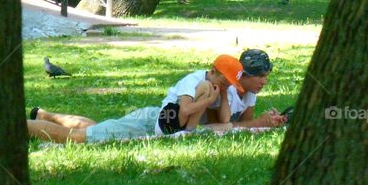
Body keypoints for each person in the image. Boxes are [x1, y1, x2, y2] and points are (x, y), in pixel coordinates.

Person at [27, 57, 233, 144]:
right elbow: (185, 111)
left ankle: (45, 115)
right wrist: (210, 100)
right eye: (226, 82)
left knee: (99, 129)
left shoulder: (218, 87)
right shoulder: (199, 83)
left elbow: (223, 121)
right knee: (79, 138)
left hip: (153, 118)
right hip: (154, 120)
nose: (228, 87)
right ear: (213, 71)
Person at [204, 50, 288, 131]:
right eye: (260, 76)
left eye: (266, 77)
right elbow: (214, 127)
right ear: (243, 75)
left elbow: (245, 125)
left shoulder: (250, 92)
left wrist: (269, 121)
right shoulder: (226, 87)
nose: (264, 82)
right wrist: (258, 123)